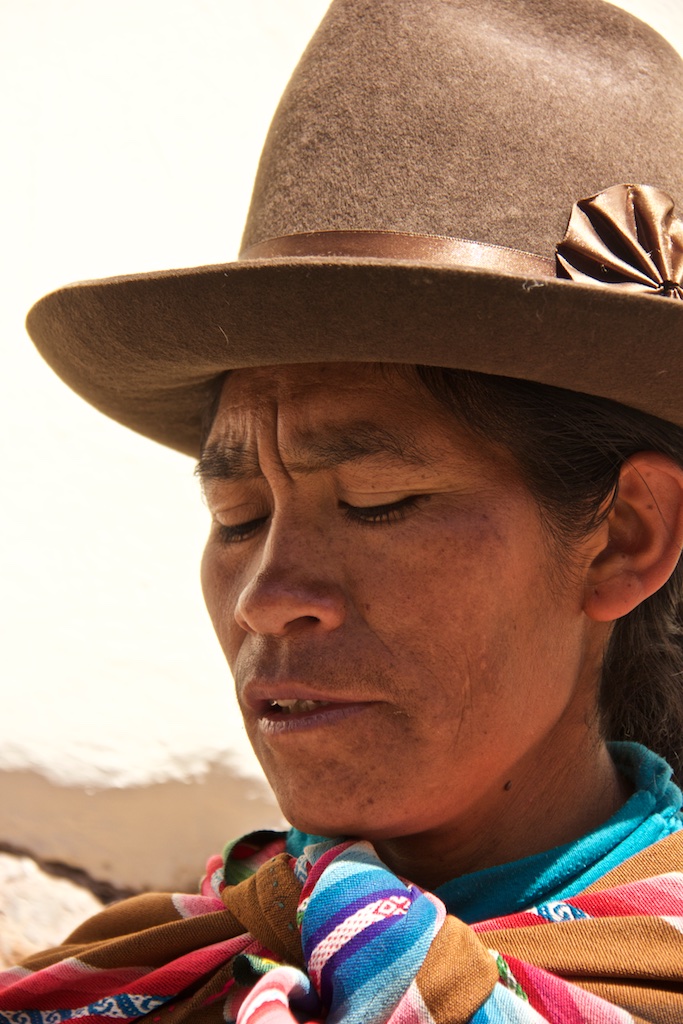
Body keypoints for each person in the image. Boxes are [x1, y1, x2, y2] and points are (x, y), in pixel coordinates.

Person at [2, 0, 683, 1020]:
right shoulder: (130, 980)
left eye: (376, 501)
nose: (266, 597)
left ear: (624, 537)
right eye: (237, 514)